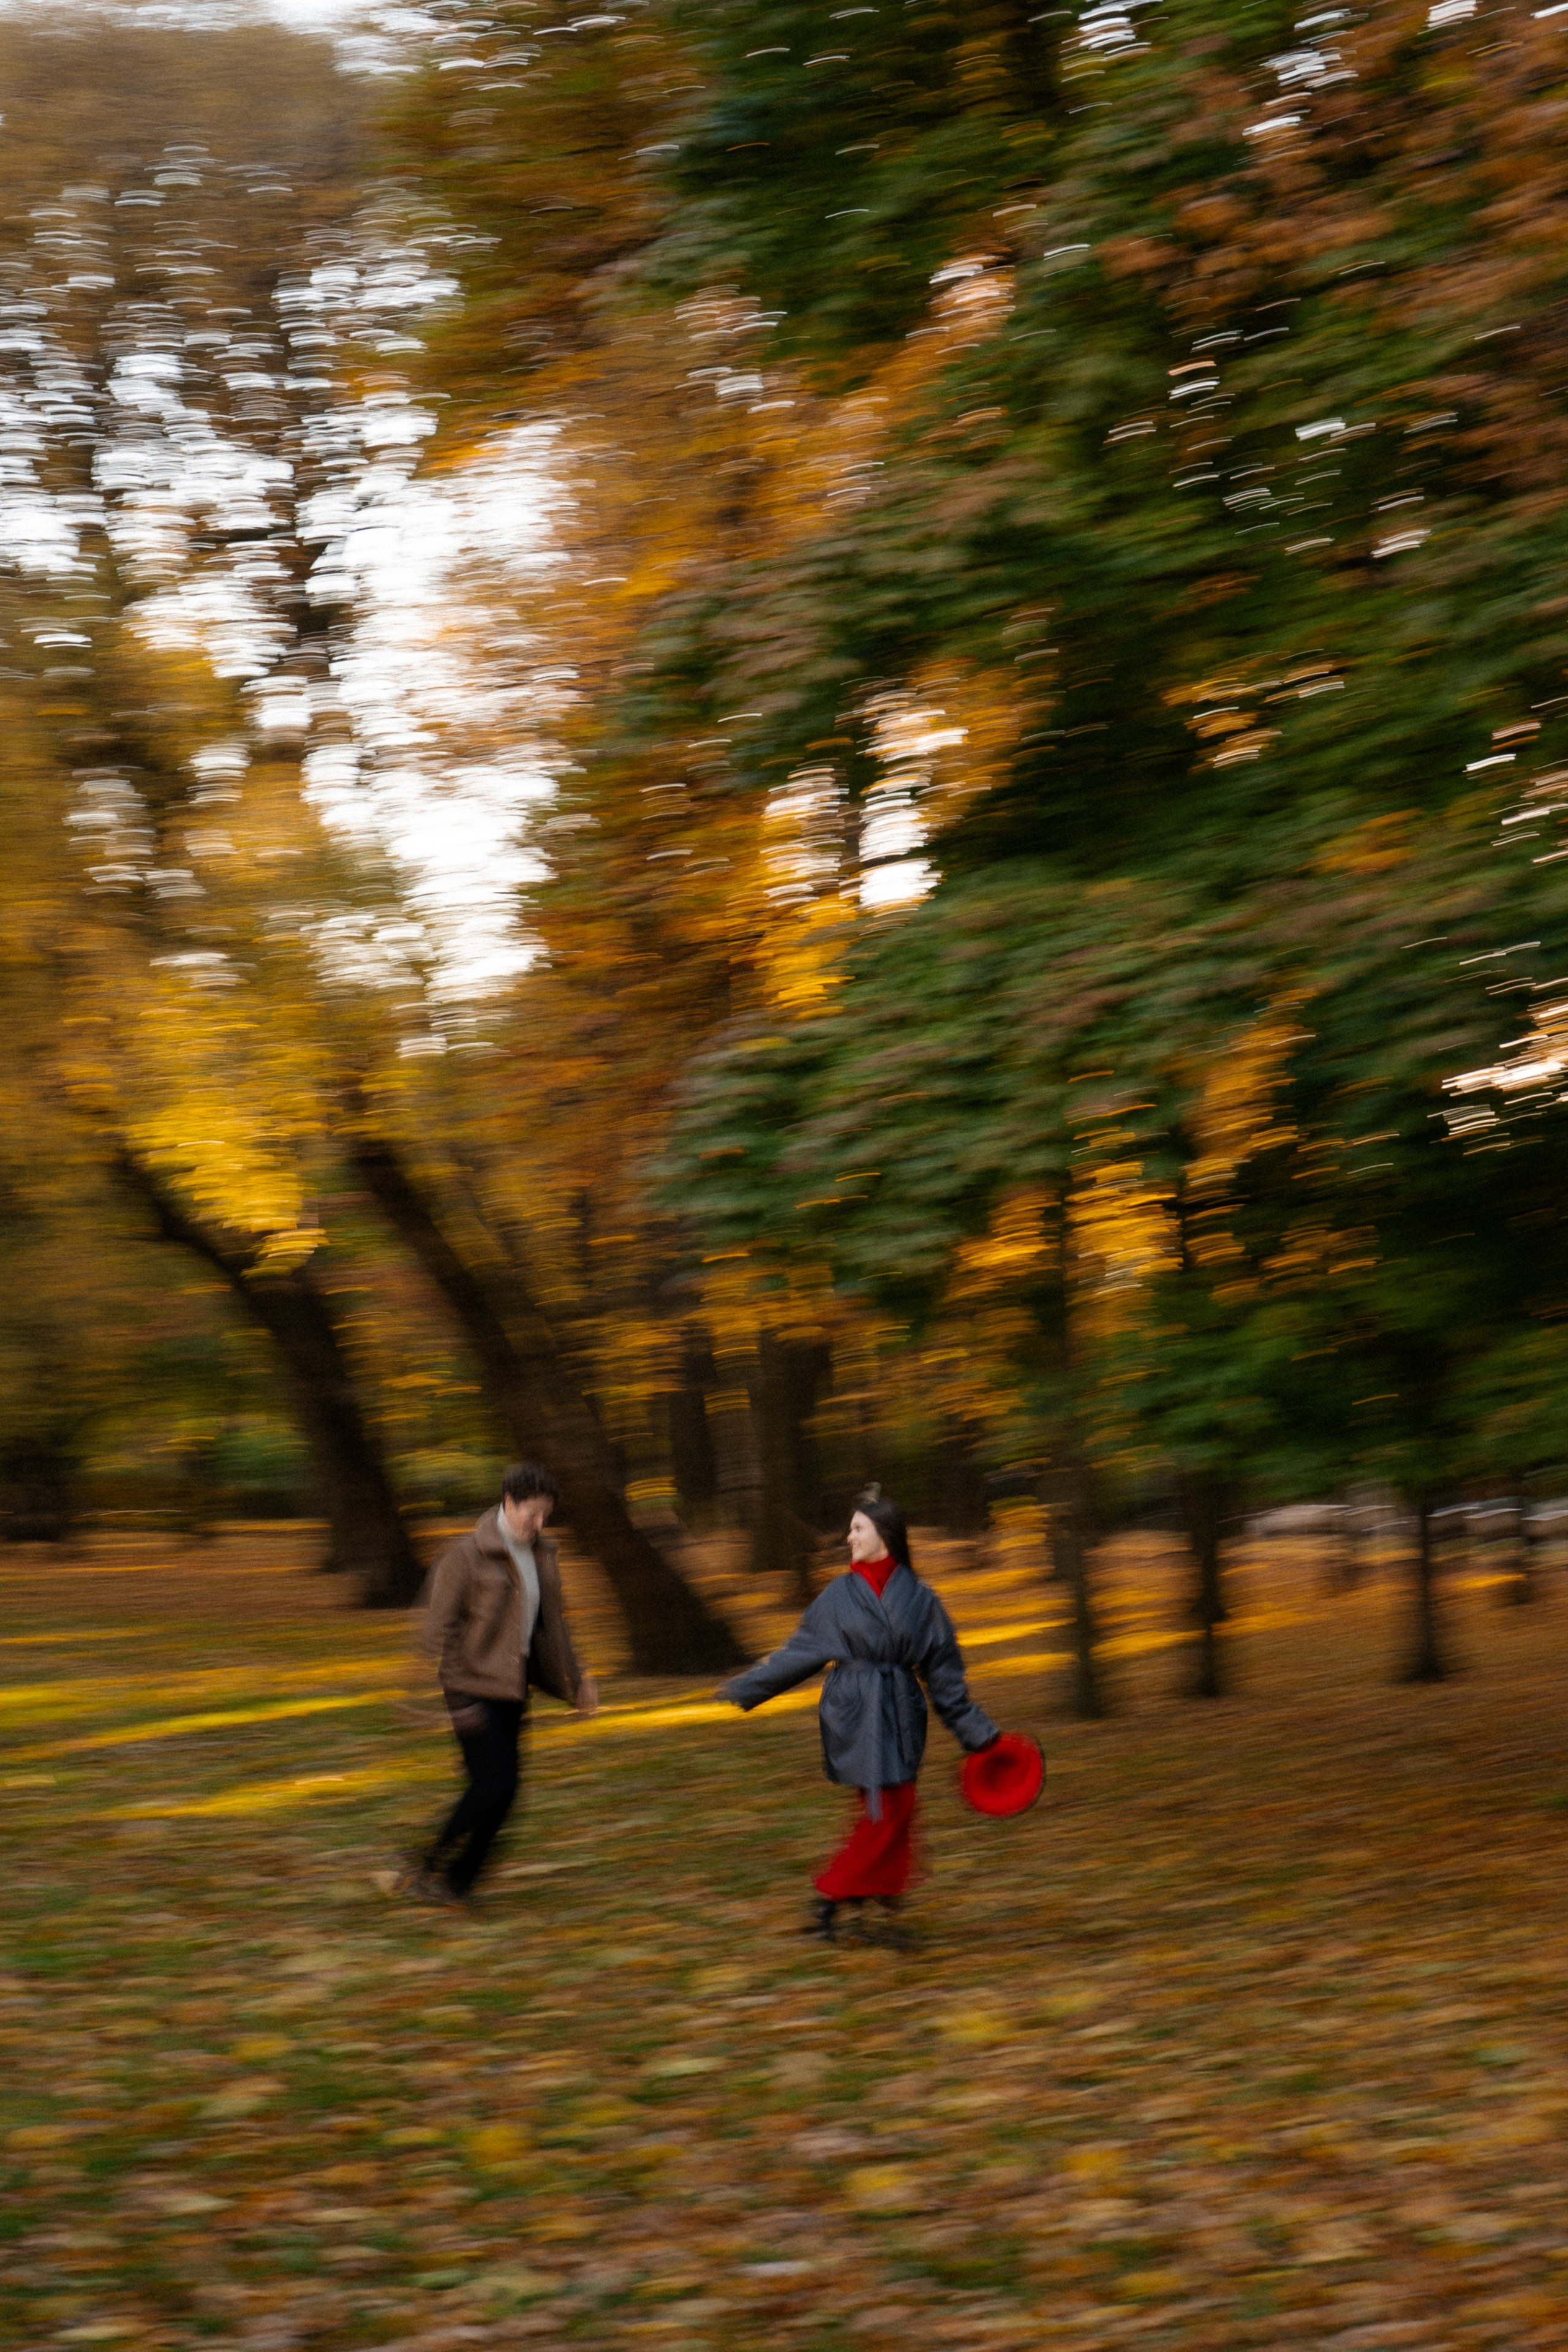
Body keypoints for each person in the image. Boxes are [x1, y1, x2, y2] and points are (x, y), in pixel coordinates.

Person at [718, 1489, 998, 1942]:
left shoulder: (922, 1599)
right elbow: (802, 1652)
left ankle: (866, 1905)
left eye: (857, 1529)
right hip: (854, 1711)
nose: (848, 1537)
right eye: (851, 1528)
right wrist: (748, 1687)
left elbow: (945, 1676)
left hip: (901, 1710)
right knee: (884, 1810)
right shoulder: (838, 1595)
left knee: (896, 1807)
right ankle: (832, 1898)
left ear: (884, 1534)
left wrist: (981, 1735)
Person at [405, 1460, 598, 1909]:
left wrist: (581, 1675)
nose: (539, 1522)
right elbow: (437, 1631)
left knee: (503, 1792)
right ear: (508, 1502)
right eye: (531, 1512)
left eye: (546, 1513)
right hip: (471, 1689)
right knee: (495, 1785)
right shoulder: (464, 1556)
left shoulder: (544, 1555)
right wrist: (452, 1699)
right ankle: (430, 1865)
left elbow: (556, 1625)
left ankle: (452, 1882)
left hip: (514, 1689)